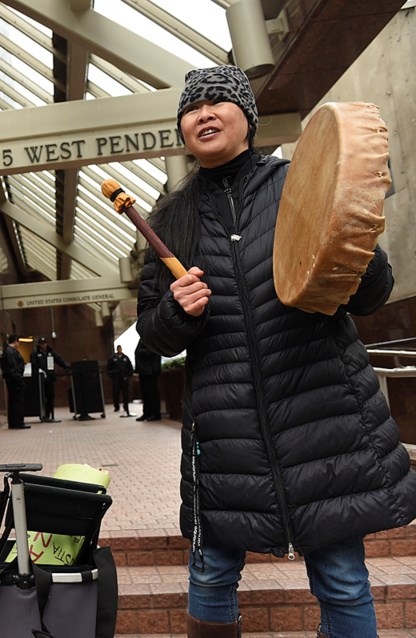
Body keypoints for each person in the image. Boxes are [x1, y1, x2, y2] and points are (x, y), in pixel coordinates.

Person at [136, 65, 416, 638]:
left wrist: (351, 250)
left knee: (342, 579)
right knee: (211, 576)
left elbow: (372, 293)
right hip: (224, 433)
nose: (205, 114)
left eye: (219, 102)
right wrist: (175, 311)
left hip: (325, 419)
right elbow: (155, 336)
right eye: (193, 108)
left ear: (248, 118)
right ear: (183, 130)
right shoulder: (170, 218)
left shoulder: (300, 180)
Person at [31, 337, 69, 422]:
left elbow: (60, 360)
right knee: (42, 398)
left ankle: (49, 415)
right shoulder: (35, 354)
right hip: (41, 380)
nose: (43, 345)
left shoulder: (50, 353)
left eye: (44, 343)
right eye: (41, 343)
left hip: (50, 378)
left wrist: (67, 367)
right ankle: (43, 415)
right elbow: (34, 366)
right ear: (39, 345)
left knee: (50, 397)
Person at [0, 334, 29, 429]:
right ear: (16, 341)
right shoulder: (10, 352)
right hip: (15, 380)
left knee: (14, 401)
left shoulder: (8, 351)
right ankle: (18, 422)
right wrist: (18, 378)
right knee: (17, 401)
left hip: (13, 379)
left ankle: (14, 422)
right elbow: (14, 367)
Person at [134, 339, 161, 421]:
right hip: (144, 371)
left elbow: (153, 351)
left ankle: (155, 413)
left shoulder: (152, 335)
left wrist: (140, 352)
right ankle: (147, 412)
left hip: (150, 371)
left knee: (152, 393)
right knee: (145, 393)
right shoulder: (143, 337)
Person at [106, 345, 133, 416]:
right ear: (116, 349)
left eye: (120, 348)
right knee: (116, 393)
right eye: (118, 349)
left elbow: (130, 368)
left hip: (124, 378)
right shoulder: (112, 358)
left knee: (126, 393)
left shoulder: (126, 358)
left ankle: (126, 406)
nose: (119, 350)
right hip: (116, 379)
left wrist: (128, 375)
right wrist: (113, 375)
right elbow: (109, 369)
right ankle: (116, 407)